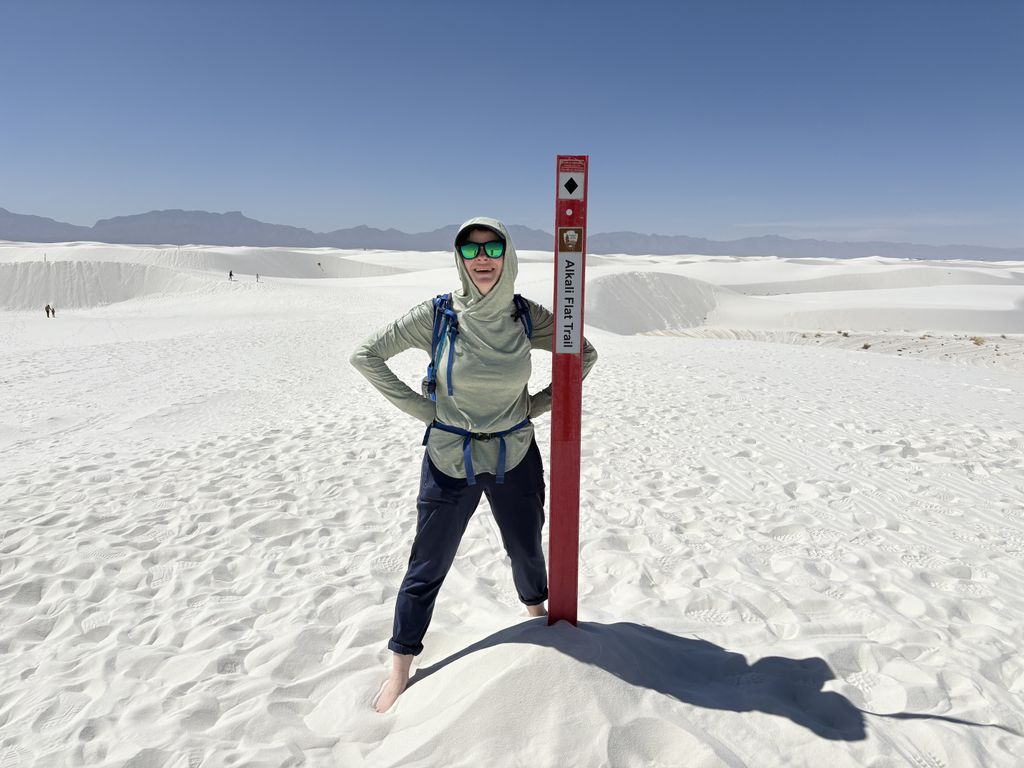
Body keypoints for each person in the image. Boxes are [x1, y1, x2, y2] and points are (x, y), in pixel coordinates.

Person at [351, 217, 598, 713]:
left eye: (492, 247)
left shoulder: (527, 316)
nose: (482, 257)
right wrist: (426, 411)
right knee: (428, 564)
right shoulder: (438, 315)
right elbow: (366, 355)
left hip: (515, 455)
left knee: (526, 548)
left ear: (507, 255)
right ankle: (400, 665)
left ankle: (537, 615)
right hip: (449, 458)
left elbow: (584, 353)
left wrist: (538, 404)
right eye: (470, 249)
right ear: (459, 257)